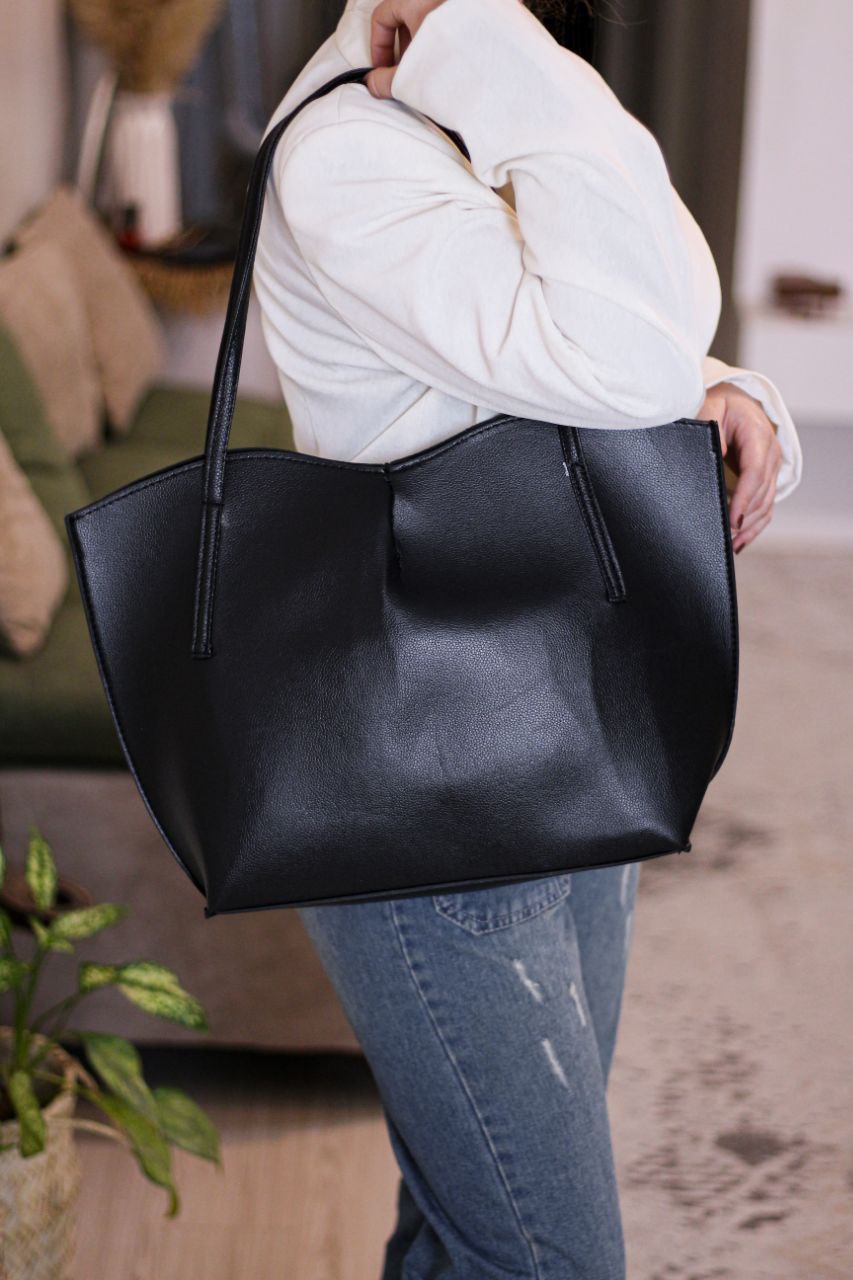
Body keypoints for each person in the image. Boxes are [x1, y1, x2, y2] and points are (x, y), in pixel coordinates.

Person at [253, 2, 804, 1275]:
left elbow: (655, 306)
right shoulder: (344, 150)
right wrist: (489, 43)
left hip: (560, 710)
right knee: (545, 1251)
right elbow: (617, 356)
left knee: (470, 1223)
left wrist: (725, 383)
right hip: (430, 785)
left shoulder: (464, 94)